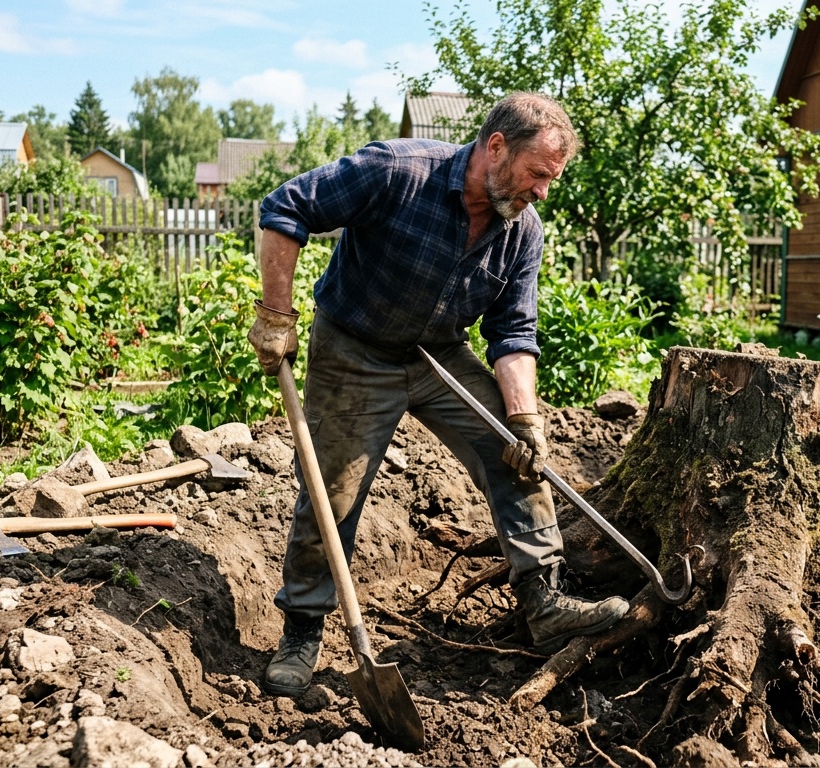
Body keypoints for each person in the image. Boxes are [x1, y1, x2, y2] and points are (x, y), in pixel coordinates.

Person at [246, 92, 630, 698]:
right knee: (333, 491)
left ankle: (544, 598)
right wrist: (274, 313)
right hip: (355, 349)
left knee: (516, 453)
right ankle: (302, 631)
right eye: (537, 174)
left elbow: (513, 331)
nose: (542, 192)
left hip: (437, 358)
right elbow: (285, 206)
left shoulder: (521, 231)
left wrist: (526, 419)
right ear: (496, 147)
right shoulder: (399, 171)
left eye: (551, 180)